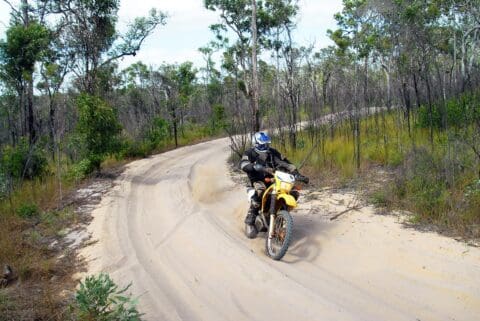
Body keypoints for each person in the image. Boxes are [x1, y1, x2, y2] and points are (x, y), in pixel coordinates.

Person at [240, 131, 308, 238]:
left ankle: (281, 218)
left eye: (267, 144)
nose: (265, 146)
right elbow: (243, 164)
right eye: (263, 144)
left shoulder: (272, 152)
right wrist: (253, 166)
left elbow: (285, 162)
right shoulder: (250, 152)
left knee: (293, 191)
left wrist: (296, 173)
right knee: (260, 190)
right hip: (258, 180)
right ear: (256, 143)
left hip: (275, 179)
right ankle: (250, 221)